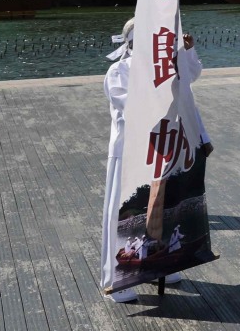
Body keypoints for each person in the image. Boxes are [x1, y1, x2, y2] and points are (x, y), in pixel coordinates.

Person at [101, 20, 200, 303]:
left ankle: (163, 264)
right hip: (129, 152)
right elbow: (131, 107)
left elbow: (191, 77)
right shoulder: (118, 70)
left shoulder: (168, 66)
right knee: (123, 213)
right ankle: (116, 280)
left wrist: (186, 53)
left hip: (162, 150)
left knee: (162, 207)